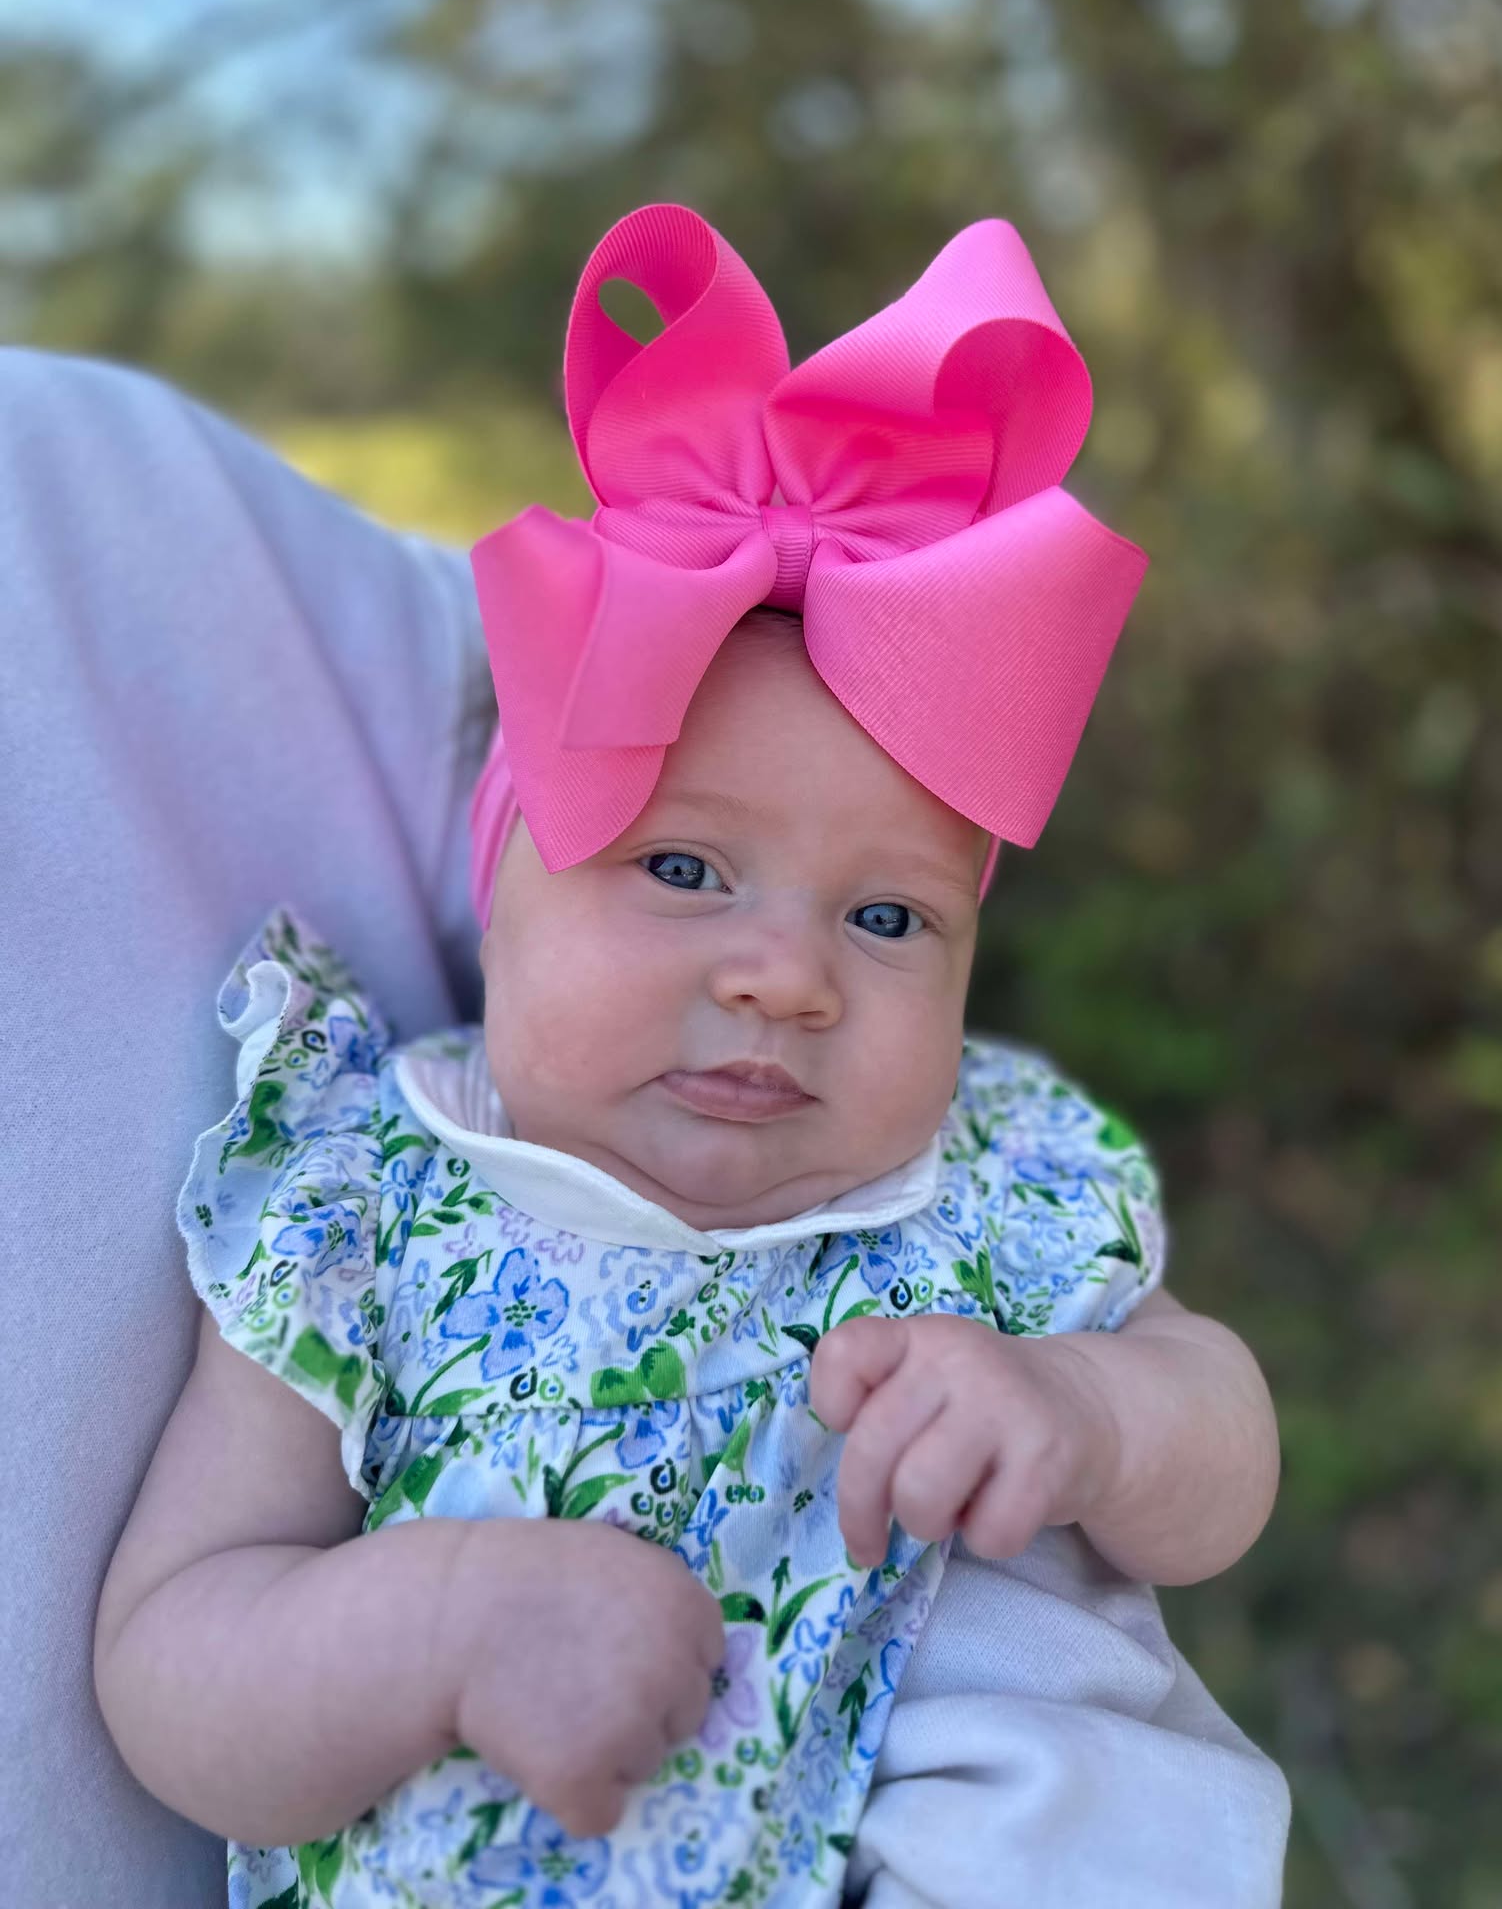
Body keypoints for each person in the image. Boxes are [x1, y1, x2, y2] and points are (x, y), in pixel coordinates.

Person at [87, 207, 1288, 1907]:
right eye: (681, 870)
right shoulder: (369, 1201)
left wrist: (1091, 1412)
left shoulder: (988, 1192)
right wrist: (445, 1621)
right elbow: (164, 1660)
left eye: (888, 921)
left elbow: (1224, 1451)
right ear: (492, 894)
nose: (786, 978)